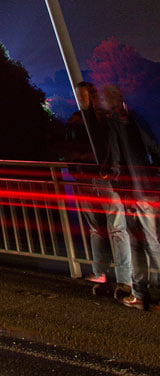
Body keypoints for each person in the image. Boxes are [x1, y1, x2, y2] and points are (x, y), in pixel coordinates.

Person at [64, 81, 132, 300]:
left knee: (113, 229)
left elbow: (111, 146)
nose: (81, 100)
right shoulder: (81, 120)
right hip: (88, 180)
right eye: (79, 96)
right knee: (102, 229)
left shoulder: (92, 120)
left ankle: (121, 279)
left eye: (83, 96)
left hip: (102, 180)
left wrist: (110, 172)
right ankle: (105, 275)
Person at [100, 85, 160, 311]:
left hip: (131, 190)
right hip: (148, 187)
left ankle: (140, 294)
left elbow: (116, 159)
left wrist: (112, 178)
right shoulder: (136, 119)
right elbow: (153, 147)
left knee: (138, 243)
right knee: (152, 240)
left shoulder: (112, 125)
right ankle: (142, 292)